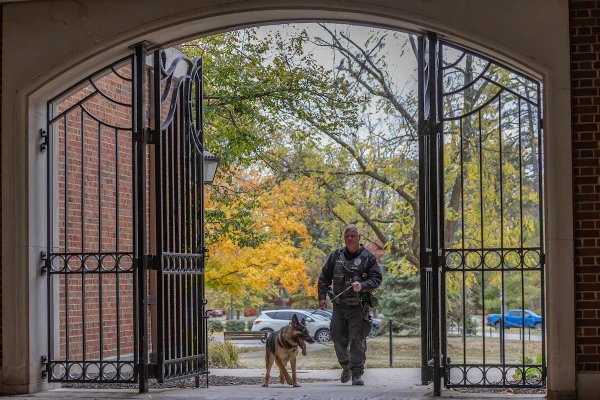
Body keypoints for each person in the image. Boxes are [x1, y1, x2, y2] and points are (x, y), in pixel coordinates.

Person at [318, 225, 382, 386]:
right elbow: (324, 278)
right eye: (347, 236)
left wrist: (362, 285)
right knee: (337, 337)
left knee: (356, 340)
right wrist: (322, 298)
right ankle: (346, 367)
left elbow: (376, 279)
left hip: (358, 307)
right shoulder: (336, 256)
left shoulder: (368, 257)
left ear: (359, 237)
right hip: (339, 306)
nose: (349, 238)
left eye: (353, 236)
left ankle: (357, 374)